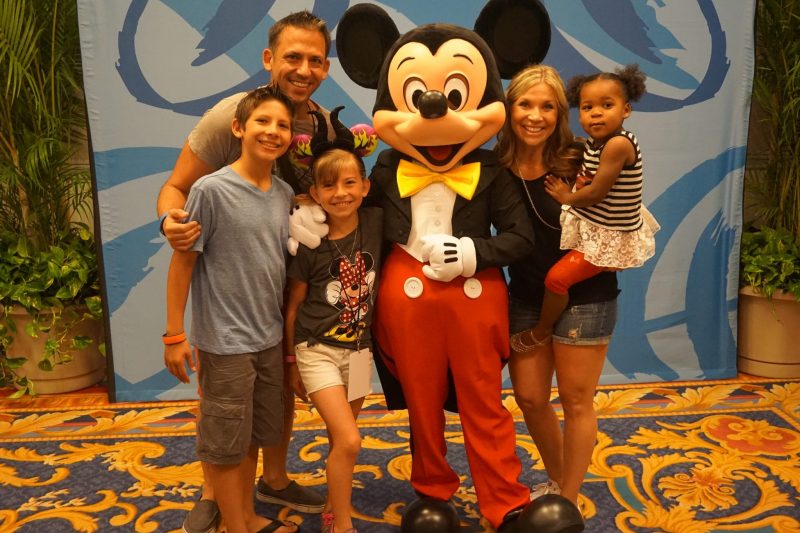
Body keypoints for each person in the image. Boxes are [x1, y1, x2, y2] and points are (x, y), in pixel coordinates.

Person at [156, 10, 329, 532]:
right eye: (292, 57)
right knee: (226, 411)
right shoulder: (230, 115)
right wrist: (171, 222)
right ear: (269, 58)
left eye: (315, 60)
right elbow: (178, 188)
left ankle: (271, 480)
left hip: (280, 285)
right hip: (227, 301)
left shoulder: (321, 124)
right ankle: (219, 495)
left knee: (272, 397)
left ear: (325, 67)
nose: (303, 69)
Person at [163, 86, 298, 533]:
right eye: (262, 121)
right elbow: (184, 262)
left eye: (282, 125)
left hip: (268, 338)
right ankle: (235, 526)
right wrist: (174, 334)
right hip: (225, 343)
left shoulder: (282, 195)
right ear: (238, 128)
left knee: (252, 437)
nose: (272, 131)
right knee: (223, 443)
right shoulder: (210, 190)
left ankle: (246, 516)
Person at [494, 64, 620, 507]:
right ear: (510, 110)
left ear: (560, 113)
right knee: (529, 397)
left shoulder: (582, 158)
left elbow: (619, 219)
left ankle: (566, 497)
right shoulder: (496, 167)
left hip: (586, 292)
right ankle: (557, 475)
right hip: (527, 294)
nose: (535, 115)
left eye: (547, 106)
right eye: (525, 104)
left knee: (575, 399)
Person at [511, 64, 659, 351]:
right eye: (588, 107)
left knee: (556, 279)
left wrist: (566, 196)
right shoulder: (593, 145)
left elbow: (595, 193)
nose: (597, 113)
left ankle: (541, 329)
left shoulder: (616, 145)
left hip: (607, 237)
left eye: (607, 105)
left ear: (626, 110)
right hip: (592, 236)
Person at [284, 139, 382, 533]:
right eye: (329, 186)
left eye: (348, 183)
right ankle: (340, 524)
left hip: (360, 351)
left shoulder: (377, 222)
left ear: (364, 186)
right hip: (317, 350)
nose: (340, 193)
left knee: (340, 439)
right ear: (314, 194)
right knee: (351, 439)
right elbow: (293, 305)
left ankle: (330, 503)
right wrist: (291, 362)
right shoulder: (309, 242)